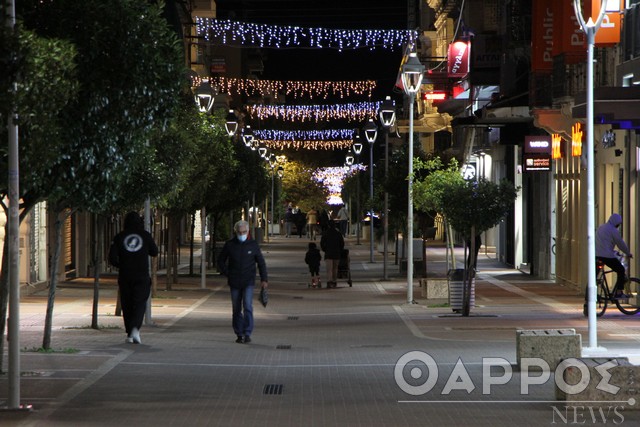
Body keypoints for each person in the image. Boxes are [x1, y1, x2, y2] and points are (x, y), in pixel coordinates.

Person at [108, 211, 158, 344]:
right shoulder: (145, 236)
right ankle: (135, 329)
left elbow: (112, 258)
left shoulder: (119, 237)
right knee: (140, 302)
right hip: (141, 275)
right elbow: (154, 251)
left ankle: (130, 332)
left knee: (127, 303)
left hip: (125, 275)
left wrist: (122, 264)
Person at [217, 220, 268, 343]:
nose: (242, 234)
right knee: (236, 308)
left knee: (248, 306)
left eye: (244, 232)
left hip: (248, 281)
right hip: (234, 281)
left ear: (248, 231)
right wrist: (228, 273)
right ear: (236, 232)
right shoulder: (230, 245)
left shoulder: (253, 245)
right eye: (240, 232)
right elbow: (220, 260)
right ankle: (239, 333)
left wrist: (264, 279)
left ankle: (247, 332)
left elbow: (261, 263)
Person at [595, 213, 633, 299]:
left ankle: (589, 295)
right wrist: (628, 253)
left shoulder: (601, 227)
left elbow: (604, 243)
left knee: (594, 276)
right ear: (616, 223)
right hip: (607, 256)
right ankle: (619, 292)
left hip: (597, 255)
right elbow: (620, 243)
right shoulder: (613, 230)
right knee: (620, 270)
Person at [320, 220, 344, 288]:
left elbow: (322, 243)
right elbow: (342, 243)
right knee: (335, 268)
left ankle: (329, 281)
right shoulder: (338, 233)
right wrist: (340, 250)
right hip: (336, 253)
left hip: (328, 253)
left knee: (329, 268)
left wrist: (325, 249)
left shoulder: (325, 233)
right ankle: (334, 281)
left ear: (328, 225)